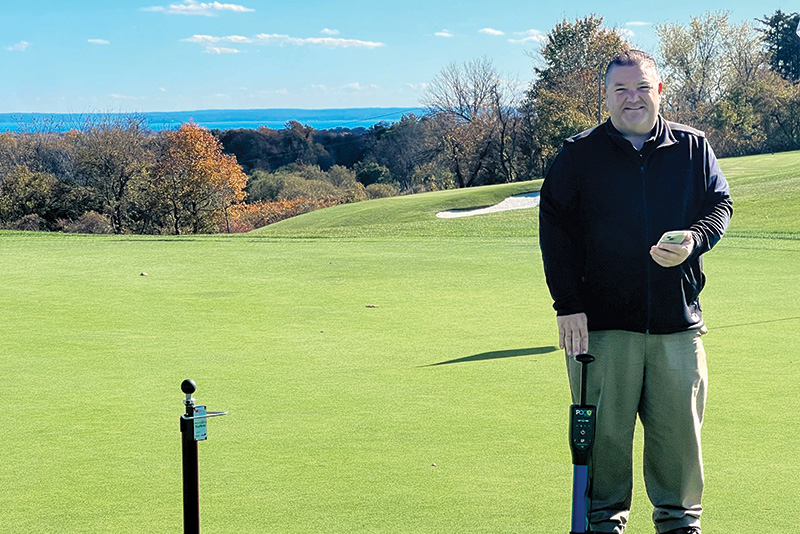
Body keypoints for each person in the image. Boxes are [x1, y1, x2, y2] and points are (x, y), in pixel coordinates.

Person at [539, 50, 733, 534]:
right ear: (605, 96)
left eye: (642, 87)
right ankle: (602, 524)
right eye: (620, 90)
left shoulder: (693, 146)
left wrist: (696, 238)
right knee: (603, 454)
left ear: (659, 91)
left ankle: (680, 524)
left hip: (676, 325)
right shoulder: (578, 154)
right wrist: (567, 306)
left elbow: (719, 204)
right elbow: (554, 230)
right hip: (601, 331)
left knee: (678, 450)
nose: (632, 98)